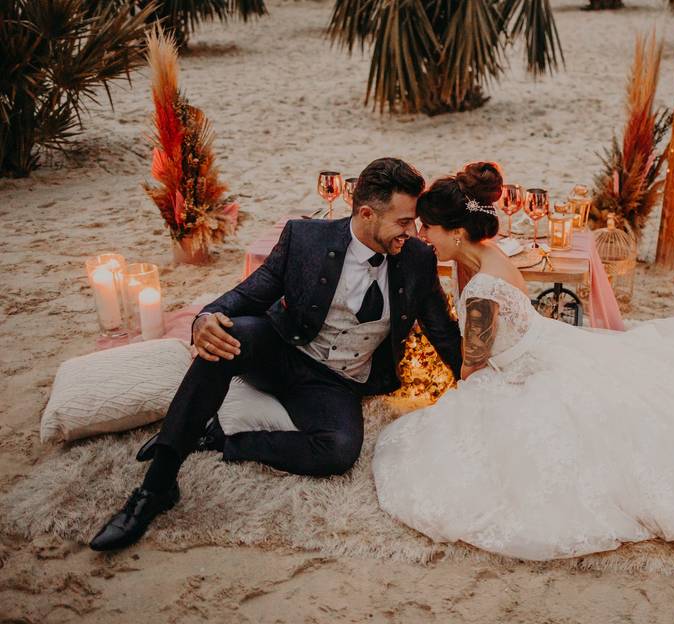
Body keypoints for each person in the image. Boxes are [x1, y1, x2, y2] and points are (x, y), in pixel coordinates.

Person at [372, 161, 674, 560]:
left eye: (426, 228)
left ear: (455, 232)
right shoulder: (492, 254)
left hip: (531, 367)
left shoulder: (480, 298)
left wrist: (461, 405)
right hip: (549, 343)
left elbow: (471, 369)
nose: (420, 236)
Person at [90, 158, 463, 551]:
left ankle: (220, 437)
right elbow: (250, 293)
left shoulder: (417, 260)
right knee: (224, 336)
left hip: (337, 381)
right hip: (282, 349)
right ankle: (157, 485)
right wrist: (205, 318)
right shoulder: (305, 238)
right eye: (404, 222)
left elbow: (443, 332)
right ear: (367, 213)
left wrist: (478, 382)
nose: (413, 231)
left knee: (338, 452)